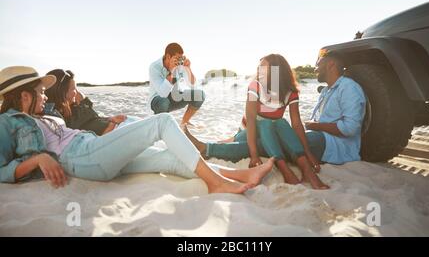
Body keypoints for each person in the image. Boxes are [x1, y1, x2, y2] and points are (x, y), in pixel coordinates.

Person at [0, 66, 275, 194]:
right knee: (163, 121)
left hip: (91, 149)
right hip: (83, 157)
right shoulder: (6, 123)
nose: (45, 96)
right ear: (24, 96)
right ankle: (216, 184)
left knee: (167, 157)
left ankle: (240, 173)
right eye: (39, 92)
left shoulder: (41, 116)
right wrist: (38, 159)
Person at [185, 50, 366, 177]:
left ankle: (208, 148)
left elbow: (350, 128)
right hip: (313, 135)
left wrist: (313, 126)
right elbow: (253, 118)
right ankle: (223, 143)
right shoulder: (328, 90)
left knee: (266, 142)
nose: (315, 67)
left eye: (319, 64)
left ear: (331, 64)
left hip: (332, 145)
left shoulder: (349, 88)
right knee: (258, 135)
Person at [189, 54, 329, 189]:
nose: (258, 70)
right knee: (265, 124)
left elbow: (297, 123)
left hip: (270, 135)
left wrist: (308, 153)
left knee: (281, 122)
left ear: (276, 70)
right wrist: (254, 155)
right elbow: (250, 119)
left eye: (263, 67)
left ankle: (306, 169)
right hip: (249, 132)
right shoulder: (255, 86)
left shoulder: (290, 92)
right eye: (258, 67)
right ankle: (284, 169)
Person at [45, 69, 137, 135]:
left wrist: (108, 118)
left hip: (114, 131)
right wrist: (84, 101)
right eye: (73, 89)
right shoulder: (54, 116)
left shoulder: (71, 107)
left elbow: (90, 119)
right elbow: (77, 127)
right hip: (108, 140)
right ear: (61, 92)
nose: (77, 92)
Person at [148, 43, 205, 126]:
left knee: (200, 95)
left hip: (174, 97)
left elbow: (192, 85)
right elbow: (162, 94)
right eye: (177, 58)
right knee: (164, 102)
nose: (179, 61)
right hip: (157, 101)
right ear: (168, 56)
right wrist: (171, 71)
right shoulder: (154, 67)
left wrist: (188, 69)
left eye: (180, 58)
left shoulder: (179, 65)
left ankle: (184, 122)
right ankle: (161, 125)